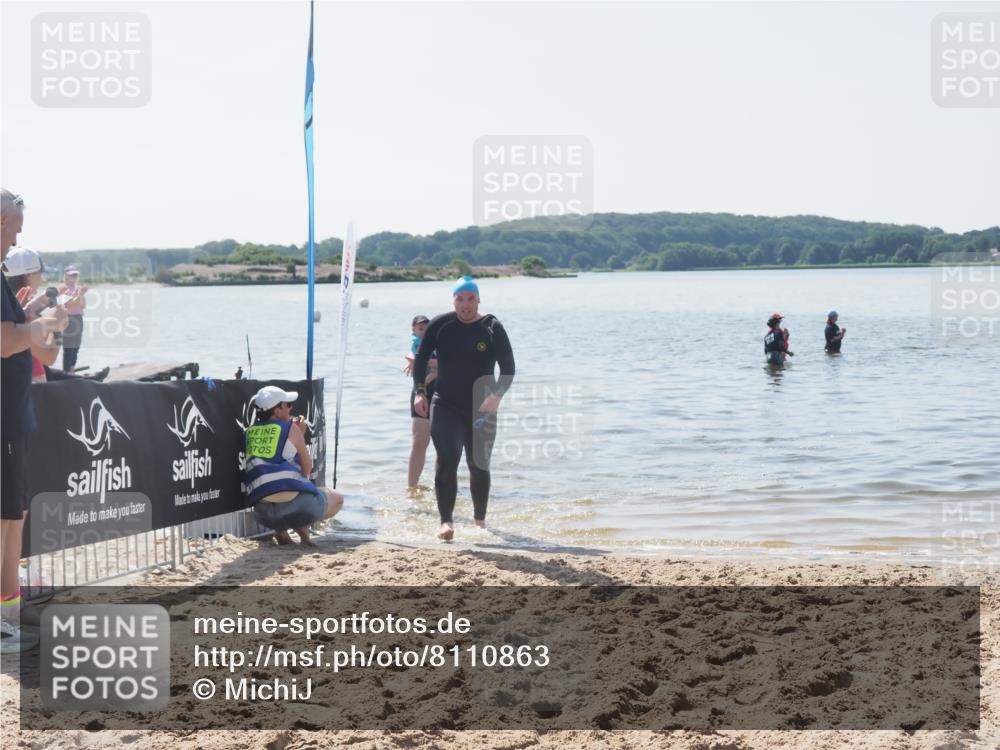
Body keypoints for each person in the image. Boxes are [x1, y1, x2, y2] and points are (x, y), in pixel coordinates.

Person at [1, 189, 68, 653]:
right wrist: (40, 325)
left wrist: (36, 320)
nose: (17, 236)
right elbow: (5, 342)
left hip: (14, 419)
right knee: (5, 522)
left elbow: (25, 341)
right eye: (14, 225)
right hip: (4, 421)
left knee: (13, 518)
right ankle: (4, 624)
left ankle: (7, 616)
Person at [413, 276, 515, 540]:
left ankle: (479, 521)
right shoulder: (440, 325)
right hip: (445, 403)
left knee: (478, 464)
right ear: (454, 300)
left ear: (478, 300)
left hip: (482, 407)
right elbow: (422, 358)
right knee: (446, 458)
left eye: (471, 299)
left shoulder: (491, 327)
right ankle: (446, 522)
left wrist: (497, 396)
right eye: (460, 299)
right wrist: (419, 392)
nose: (465, 305)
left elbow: (508, 369)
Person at [243, 385, 344, 546]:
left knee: (279, 490)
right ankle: (303, 530)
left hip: (263, 514)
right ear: (276, 411)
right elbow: (307, 468)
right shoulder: (291, 428)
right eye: (287, 404)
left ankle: (281, 531)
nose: (291, 407)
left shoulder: (250, 431)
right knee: (337, 498)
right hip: (297, 507)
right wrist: (300, 433)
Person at [404, 314, 437, 490]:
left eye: (427, 327)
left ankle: (442, 486)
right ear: (414, 329)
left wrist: (422, 361)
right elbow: (410, 356)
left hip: (442, 393)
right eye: (420, 328)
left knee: (442, 444)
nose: (424, 331)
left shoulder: (438, 341)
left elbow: (450, 364)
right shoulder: (415, 343)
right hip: (420, 392)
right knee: (418, 442)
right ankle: (411, 488)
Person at [58, 264, 87, 372]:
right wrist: (79, 294)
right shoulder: (62, 288)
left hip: (78, 318)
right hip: (68, 319)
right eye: (72, 275)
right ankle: (66, 371)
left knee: (76, 346)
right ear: (66, 275)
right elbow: (68, 304)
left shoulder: (77, 288)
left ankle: (72, 369)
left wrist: (80, 294)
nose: (74, 277)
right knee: (68, 347)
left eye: (75, 275)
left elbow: (83, 305)